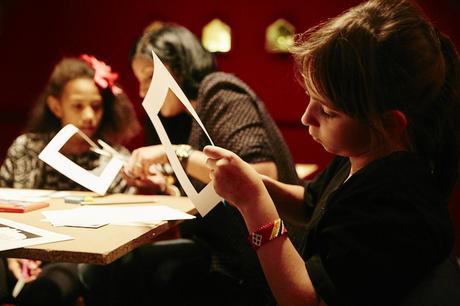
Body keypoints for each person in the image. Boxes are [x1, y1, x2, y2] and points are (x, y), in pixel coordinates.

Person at [203, 0, 460, 305]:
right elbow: (312, 205)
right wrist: (258, 185)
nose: (306, 117)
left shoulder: (395, 207)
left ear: (390, 123)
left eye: (326, 110)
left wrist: (253, 203)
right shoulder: (363, 154)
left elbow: (306, 300)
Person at [79, 24, 300, 306]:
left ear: (179, 68)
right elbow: (207, 196)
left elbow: (261, 174)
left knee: (125, 275)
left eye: (148, 78)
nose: (144, 92)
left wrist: (175, 153)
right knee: (106, 271)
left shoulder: (219, 90)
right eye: (139, 82)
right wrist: (163, 187)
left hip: (260, 256)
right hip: (219, 251)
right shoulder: (177, 119)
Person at [0, 54, 140, 306]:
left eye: (96, 106)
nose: (88, 116)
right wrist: (14, 255)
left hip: (83, 261)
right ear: (56, 106)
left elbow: (122, 231)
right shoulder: (26, 149)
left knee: (51, 289)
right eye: (78, 106)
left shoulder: (116, 159)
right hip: (21, 254)